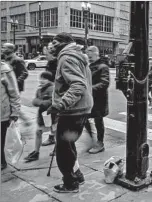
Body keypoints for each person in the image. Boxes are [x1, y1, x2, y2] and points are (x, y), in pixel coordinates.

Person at [47, 33, 93, 193]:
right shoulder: (76, 56)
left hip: (73, 110)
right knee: (68, 145)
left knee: (63, 149)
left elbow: (78, 85)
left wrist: (61, 105)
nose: (51, 46)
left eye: (54, 42)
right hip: (80, 109)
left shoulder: (66, 57)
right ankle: (77, 175)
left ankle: (70, 183)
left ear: (64, 43)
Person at [23, 71, 56, 162]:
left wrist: (41, 102)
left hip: (52, 114)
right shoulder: (40, 89)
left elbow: (52, 101)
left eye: (44, 79)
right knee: (39, 132)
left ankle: (58, 148)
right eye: (41, 78)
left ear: (49, 80)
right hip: (42, 115)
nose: (41, 80)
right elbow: (35, 100)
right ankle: (36, 152)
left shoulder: (52, 88)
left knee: (55, 131)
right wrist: (37, 102)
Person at [84, 46, 110, 154]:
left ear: (96, 53)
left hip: (99, 99)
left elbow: (105, 83)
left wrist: (89, 89)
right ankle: (92, 140)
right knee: (84, 118)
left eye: (90, 53)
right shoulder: (89, 66)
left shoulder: (102, 67)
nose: (88, 56)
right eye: (87, 54)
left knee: (98, 120)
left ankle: (100, 143)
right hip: (89, 98)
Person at [2, 43, 30, 125]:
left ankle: (25, 120)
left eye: (4, 47)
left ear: (10, 49)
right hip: (6, 86)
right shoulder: (5, 59)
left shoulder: (17, 60)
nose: (2, 49)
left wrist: (15, 83)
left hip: (15, 87)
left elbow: (25, 73)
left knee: (13, 104)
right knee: (9, 104)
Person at [1, 62, 21, 170]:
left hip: (2, 113)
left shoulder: (4, 70)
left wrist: (15, 112)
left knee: (2, 139)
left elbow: (14, 93)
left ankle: (2, 161)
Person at [41, 42, 58, 147]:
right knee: (52, 117)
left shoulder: (57, 62)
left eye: (47, 54)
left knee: (57, 118)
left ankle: (58, 143)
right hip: (50, 94)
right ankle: (52, 137)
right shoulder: (50, 63)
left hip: (57, 94)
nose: (46, 56)